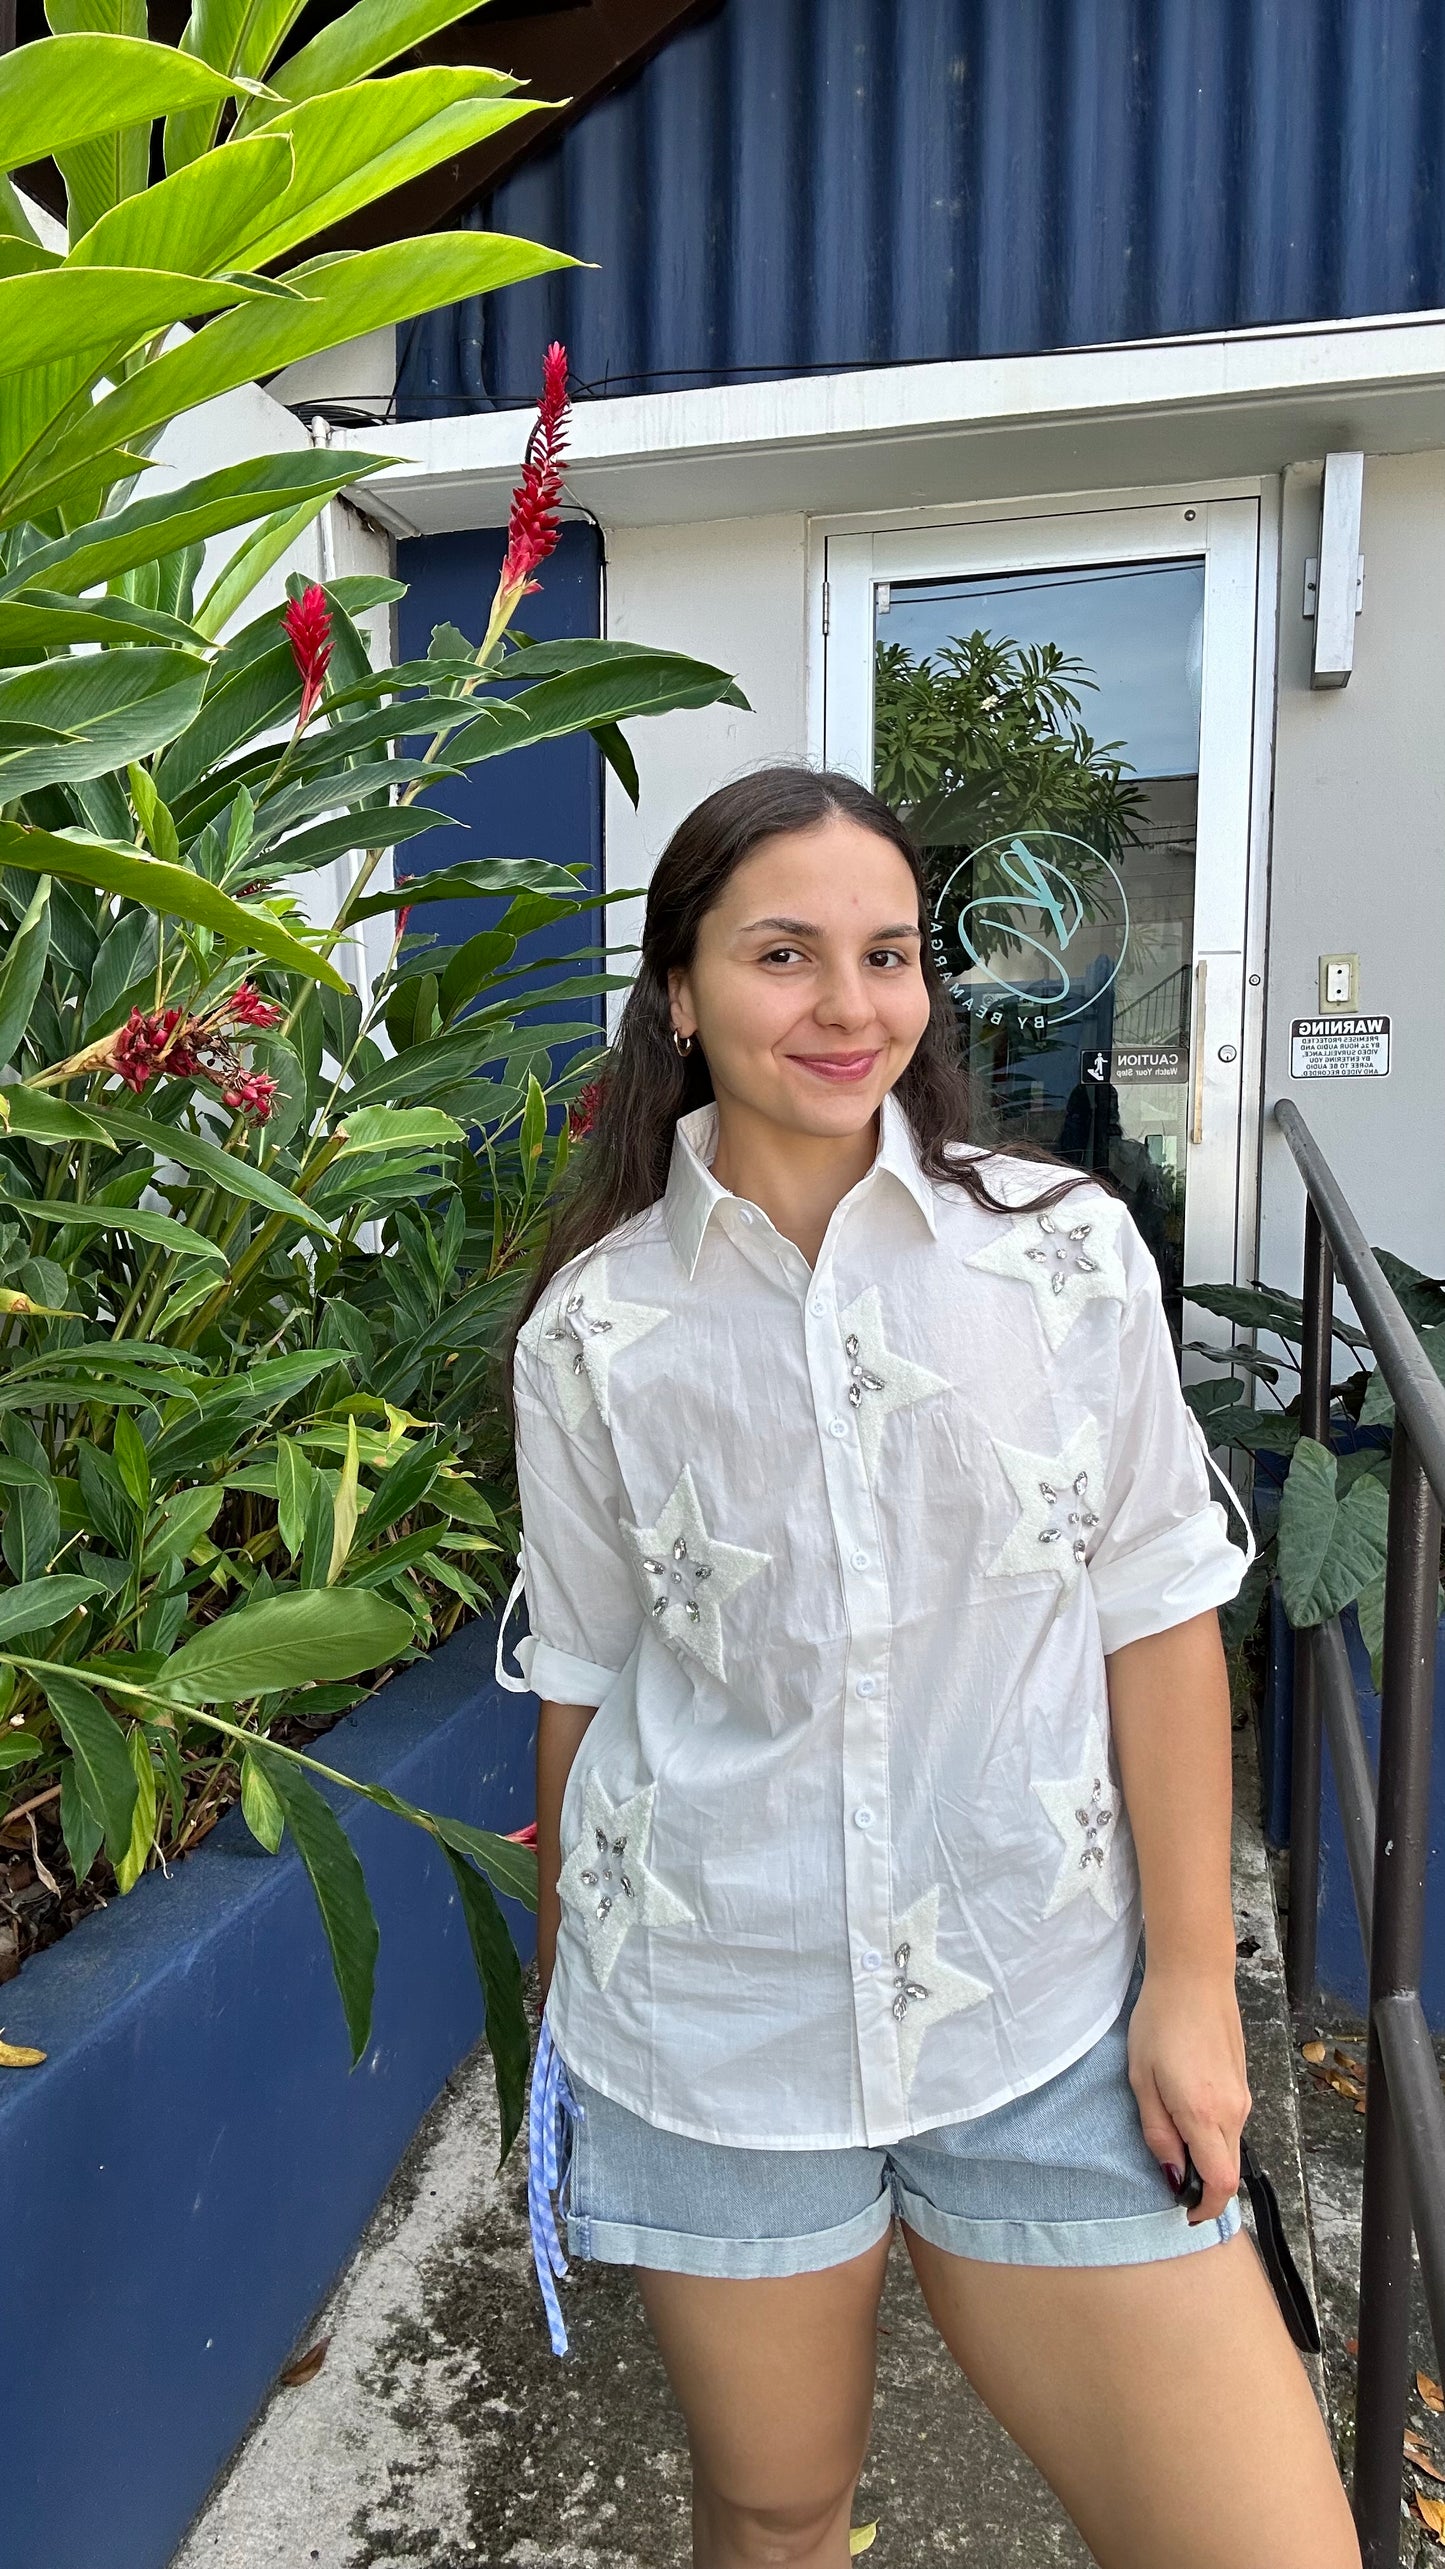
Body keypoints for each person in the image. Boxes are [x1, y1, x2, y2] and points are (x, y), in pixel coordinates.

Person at [499, 768, 1359, 2569]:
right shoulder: (595, 1328)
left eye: (886, 954)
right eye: (783, 953)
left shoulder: (1059, 1258)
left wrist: (1193, 1985)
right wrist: (570, 1994)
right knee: (775, 2508)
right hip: (720, 2023)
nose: (847, 1005)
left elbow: (1157, 1611)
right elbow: (581, 1671)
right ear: (676, 990)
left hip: (1043, 2009)